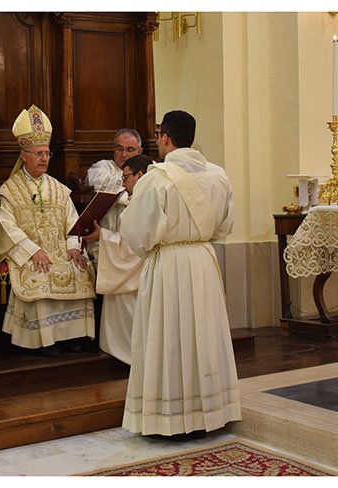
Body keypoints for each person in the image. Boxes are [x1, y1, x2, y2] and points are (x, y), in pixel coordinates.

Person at [119, 110, 241, 439]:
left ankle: (169, 418)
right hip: (202, 260)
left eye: (158, 135)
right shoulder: (219, 175)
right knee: (203, 335)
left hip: (169, 263)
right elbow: (225, 225)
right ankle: (211, 413)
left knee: (168, 337)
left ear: (166, 138)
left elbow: (136, 233)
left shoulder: (156, 178)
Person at [0, 105, 96, 357]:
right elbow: (6, 227)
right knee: (40, 272)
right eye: (38, 153)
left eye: (47, 153)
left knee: (79, 266)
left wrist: (73, 247)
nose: (44, 159)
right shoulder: (9, 190)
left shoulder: (59, 189)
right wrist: (33, 251)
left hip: (60, 249)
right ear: (24, 155)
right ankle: (44, 339)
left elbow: (73, 222)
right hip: (30, 252)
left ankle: (71, 336)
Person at [82, 155, 150, 365]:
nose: (123, 184)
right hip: (134, 267)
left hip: (135, 270)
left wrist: (103, 236)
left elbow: (134, 245)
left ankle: (130, 357)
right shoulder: (145, 198)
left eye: (126, 178)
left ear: (139, 175)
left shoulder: (143, 202)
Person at [83, 129, 143, 263]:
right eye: (119, 148)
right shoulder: (101, 168)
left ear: (139, 151)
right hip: (106, 245)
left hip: (135, 248)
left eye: (130, 149)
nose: (124, 154)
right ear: (113, 148)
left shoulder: (149, 168)